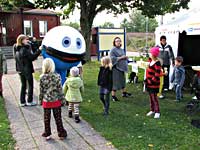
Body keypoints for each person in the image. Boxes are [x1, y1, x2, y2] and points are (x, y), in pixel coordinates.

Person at [39, 58, 67, 140]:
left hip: (46, 101)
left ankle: (47, 134)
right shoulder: (57, 76)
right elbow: (60, 90)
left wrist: (40, 100)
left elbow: (41, 90)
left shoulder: (42, 77)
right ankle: (61, 133)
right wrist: (63, 100)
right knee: (58, 118)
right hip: (56, 101)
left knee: (46, 119)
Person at [13, 34, 41, 106]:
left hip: (20, 70)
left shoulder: (16, 48)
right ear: (22, 40)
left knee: (23, 85)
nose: (27, 41)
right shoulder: (24, 49)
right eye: (26, 39)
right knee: (30, 85)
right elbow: (32, 57)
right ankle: (29, 101)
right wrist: (39, 50)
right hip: (27, 70)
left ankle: (22, 102)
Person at [110, 37, 131, 101]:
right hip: (116, 68)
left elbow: (123, 56)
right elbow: (112, 59)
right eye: (117, 41)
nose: (118, 42)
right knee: (115, 82)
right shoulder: (113, 50)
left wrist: (126, 58)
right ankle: (113, 96)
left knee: (122, 80)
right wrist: (121, 58)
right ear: (114, 42)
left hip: (122, 67)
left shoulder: (121, 49)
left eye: (119, 41)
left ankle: (124, 93)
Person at [145, 47, 162, 119]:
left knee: (154, 97)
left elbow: (157, 74)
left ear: (154, 54)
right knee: (151, 97)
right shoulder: (150, 61)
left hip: (154, 84)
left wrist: (151, 81)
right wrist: (146, 80)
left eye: (151, 53)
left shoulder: (157, 63)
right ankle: (152, 110)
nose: (150, 54)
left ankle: (157, 112)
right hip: (149, 83)